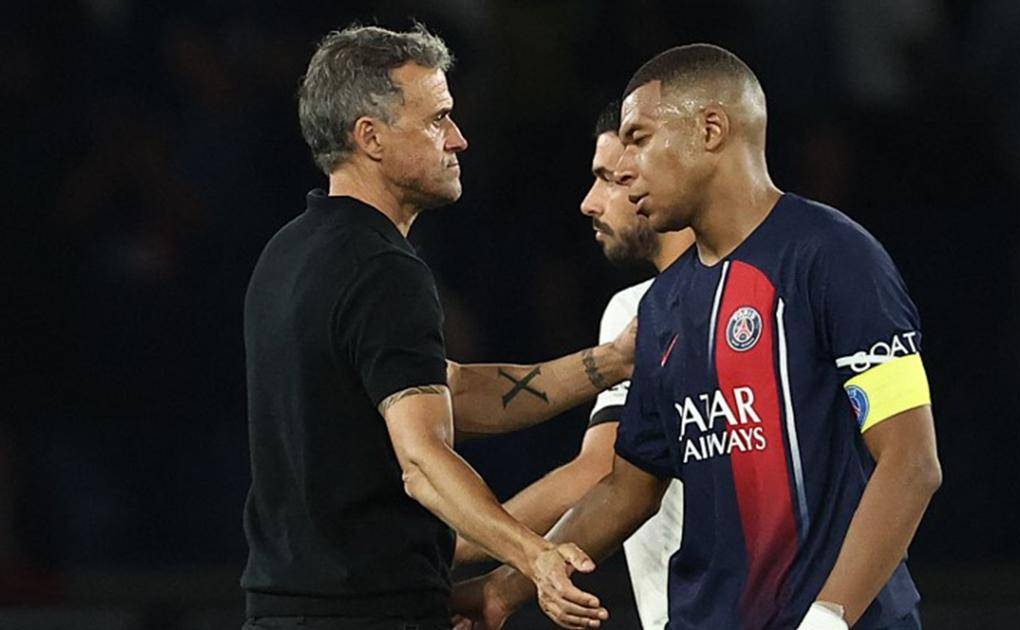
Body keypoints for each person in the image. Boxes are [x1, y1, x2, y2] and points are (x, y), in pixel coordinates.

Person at [453, 44, 941, 630]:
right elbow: (627, 489)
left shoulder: (834, 254)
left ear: (711, 130)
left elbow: (911, 461)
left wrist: (828, 619)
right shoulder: (662, 308)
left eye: (638, 139)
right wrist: (503, 590)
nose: (625, 167)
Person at [242, 25, 633, 630]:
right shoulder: (383, 268)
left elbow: (446, 390)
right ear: (370, 137)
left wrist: (611, 362)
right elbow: (421, 458)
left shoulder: (287, 253)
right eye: (437, 120)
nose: (458, 138)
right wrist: (534, 557)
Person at [452, 102, 694, 630]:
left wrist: (458, 544)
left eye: (611, 178)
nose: (589, 203)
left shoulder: (642, 311)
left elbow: (601, 470)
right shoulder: (645, 309)